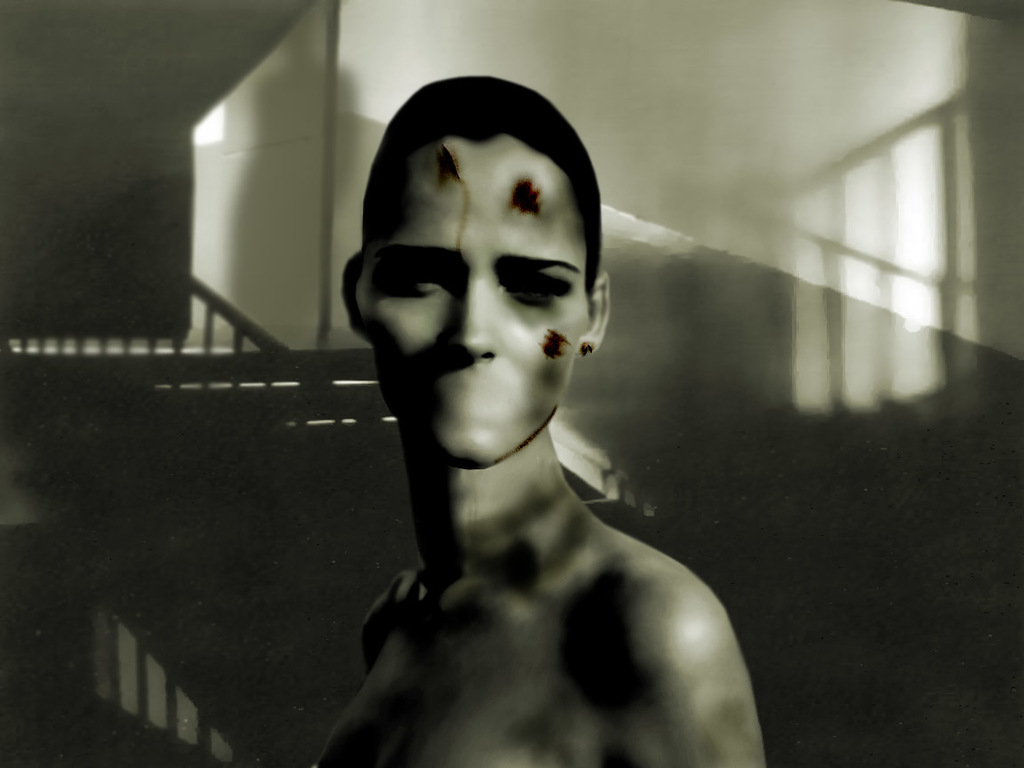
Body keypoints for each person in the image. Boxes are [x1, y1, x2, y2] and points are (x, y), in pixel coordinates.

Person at [317, 76, 764, 768]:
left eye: (533, 286)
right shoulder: (403, 623)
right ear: (359, 293)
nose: (472, 331)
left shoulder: (648, 627)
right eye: (421, 276)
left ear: (594, 315)